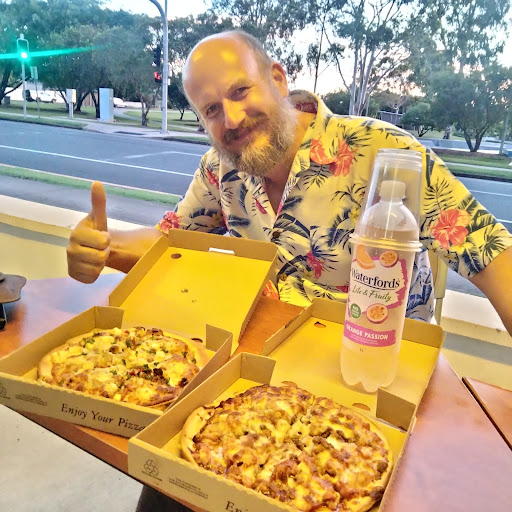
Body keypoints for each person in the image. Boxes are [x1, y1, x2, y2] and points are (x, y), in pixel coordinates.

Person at [66, 29, 512, 511]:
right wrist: (104, 247)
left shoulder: (384, 153)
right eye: (211, 109)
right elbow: (170, 239)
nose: (231, 118)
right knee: (168, 489)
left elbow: (492, 256)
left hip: (376, 382)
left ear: (277, 79)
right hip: (260, 385)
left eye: (240, 91)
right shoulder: (220, 167)